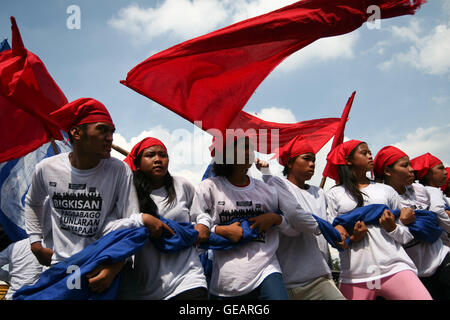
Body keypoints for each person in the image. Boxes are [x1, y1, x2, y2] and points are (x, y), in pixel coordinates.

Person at [24, 98, 171, 294]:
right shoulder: (47, 168)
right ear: (76, 133)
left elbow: (130, 226)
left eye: (112, 132)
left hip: (104, 266)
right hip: (63, 268)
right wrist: (35, 243)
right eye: (102, 130)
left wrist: (114, 268)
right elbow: (33, 203)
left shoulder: (119, 170)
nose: (110, 137)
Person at [325, 140, 432, 300]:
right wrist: (353, 238)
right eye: (364, 153)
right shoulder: (333, 194)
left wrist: (392, 228)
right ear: (348, 160)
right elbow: (334, 239)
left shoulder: (386, 190)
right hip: (355, 277)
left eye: (370, 153)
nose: (370, 156)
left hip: (395, 268)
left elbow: (406, 236)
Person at [190, 135, 289, 300]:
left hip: (266, 268)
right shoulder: (209, 187)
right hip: (226, 279)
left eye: (250, 147)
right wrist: (221, 230)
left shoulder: (266, 190)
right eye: (242, 147)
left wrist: (274, 218)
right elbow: (192, 227)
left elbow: (290, 223)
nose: (249, 151)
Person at [255, 136, 346, 300]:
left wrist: (336, 230)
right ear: (289, 163)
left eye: (314, 160)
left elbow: (328, 221)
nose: (312, 164)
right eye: (306, 159)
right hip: (291, 279)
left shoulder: (319, 192)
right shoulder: (279, 184)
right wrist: (328, 229)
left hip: (319, 275)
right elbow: (296, 216)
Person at [119, 137, 208, 300]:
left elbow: (200, 214)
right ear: (138, 163)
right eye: (150, 155)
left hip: (188, 278)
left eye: (163, 155)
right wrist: (142, 220)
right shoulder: (127, 192)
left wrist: (203, 224)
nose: (158, 160)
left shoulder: (182, 185)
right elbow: (117, 226)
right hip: (146, 287)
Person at [374, 146, 450, 299]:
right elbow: (385, 237)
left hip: (442, 258)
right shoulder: (380, 199)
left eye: (410, 164)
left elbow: (439, 212)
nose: (411, 170)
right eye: (404, 165)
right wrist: (401, 223)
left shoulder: (420, 190)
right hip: (413, 273)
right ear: (388, 172)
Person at [411, 153, 450, 248]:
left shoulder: (434, 192)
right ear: (428, 174)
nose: (445, 172)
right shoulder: (432, 190)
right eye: (441, 168)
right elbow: (438, 210)